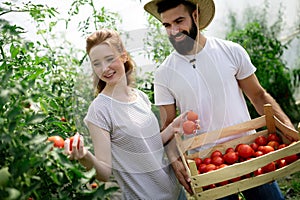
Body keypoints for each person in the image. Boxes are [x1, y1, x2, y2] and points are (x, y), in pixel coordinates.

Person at [144, 0, 295, 199]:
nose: (173, 31)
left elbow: (258, 96)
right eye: (167, 25)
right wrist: (174, 158)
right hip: (207, 165)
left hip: (250, 151)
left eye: (179, 21)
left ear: (195, 16)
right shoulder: (164, 74)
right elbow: (167, 124)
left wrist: (286, 127)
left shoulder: (231, 51)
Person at [63, 28, 190, 200]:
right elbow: (104, 173)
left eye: (109, 59)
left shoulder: (140, 97)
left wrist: (172, 127)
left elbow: (147, 145)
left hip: (175, 193)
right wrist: (85, 156)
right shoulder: (100, 110)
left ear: (123, 56)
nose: (104, 68)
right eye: (97, 63)